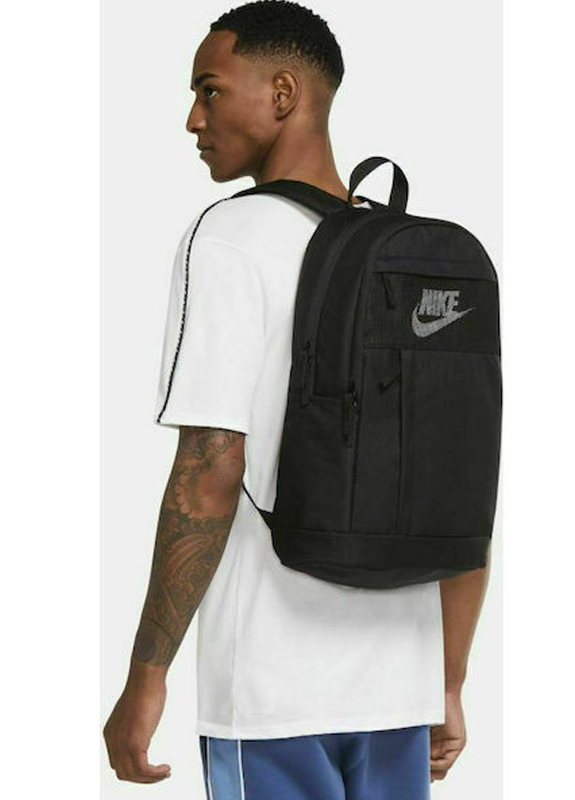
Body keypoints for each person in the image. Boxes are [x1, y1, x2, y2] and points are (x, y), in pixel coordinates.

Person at [102, 2, 491, 796]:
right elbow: (462, 482)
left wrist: (147, 676)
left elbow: (209, 471)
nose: (193, 118)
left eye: (210, 89)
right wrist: (447, 680)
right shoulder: (414, 258)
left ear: (283, 92)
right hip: (400, 688)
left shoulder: (229, 238)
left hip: (270, 692)